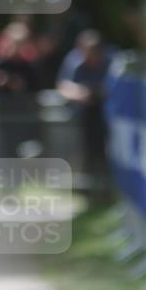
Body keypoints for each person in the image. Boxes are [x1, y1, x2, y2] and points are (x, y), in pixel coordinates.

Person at [56, 29, 114, 189]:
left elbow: (117, 86)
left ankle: (107, 187)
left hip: (107, 117)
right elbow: (63, 85)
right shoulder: (74, 61)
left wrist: (101, 91)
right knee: (84, 153)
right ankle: (86, 188)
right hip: (82, 117)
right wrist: (81, 93)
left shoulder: (111, 60)